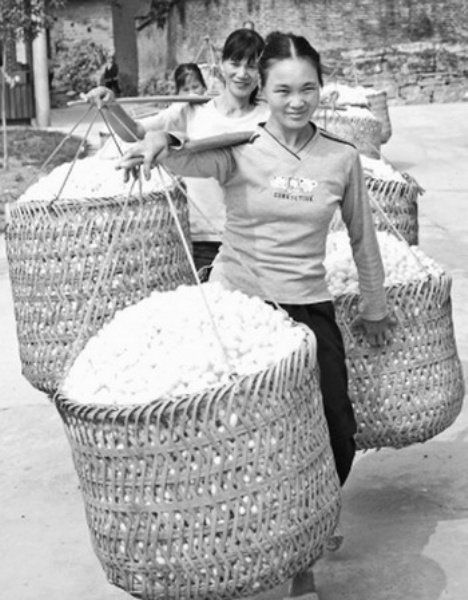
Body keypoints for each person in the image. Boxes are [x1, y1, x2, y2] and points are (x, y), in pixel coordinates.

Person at [118, 30, 395, 600]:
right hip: (239, 309)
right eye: (283, 90)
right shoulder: (241, 146)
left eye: (308, 89)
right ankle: (286, 560)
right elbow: (181, 154)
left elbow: (363, 239)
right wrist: (159, 141)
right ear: (263, 91)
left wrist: (375, 306)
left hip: (307, 306)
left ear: (322, 89)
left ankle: (309, 521)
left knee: (335, 429)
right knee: (236, 441)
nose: (297, 101)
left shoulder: (341, 157)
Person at [85, 28, 269, 278]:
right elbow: (135, 132)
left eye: (252, 66)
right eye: (235, 64)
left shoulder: (269, 118)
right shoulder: (192, 110)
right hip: (200, 235)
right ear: (221, 65)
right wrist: (111, 106)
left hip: (252, 239)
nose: (242, 74)